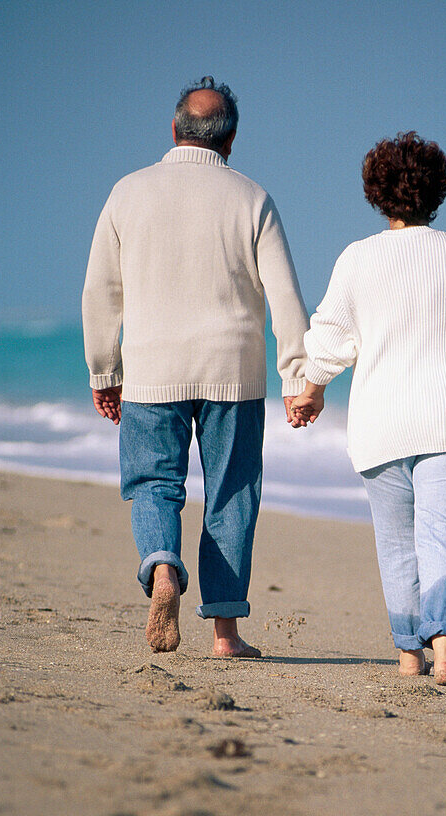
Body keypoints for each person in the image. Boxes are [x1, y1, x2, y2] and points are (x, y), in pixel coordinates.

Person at [83, 77, 308, 656]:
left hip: (152, 368)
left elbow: (101, 292)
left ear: (174, 129)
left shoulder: (127, 193)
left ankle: (162, 566)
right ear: (229, 142)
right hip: (232, 370)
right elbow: (284, 297)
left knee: (156, 483)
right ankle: (226, 633)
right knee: (231, 492)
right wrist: (298, 376)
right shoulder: (252, 197)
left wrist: (104, 369)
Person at [288, 132, 446, 686]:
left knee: (396, 541)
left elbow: (330, 339)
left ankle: (409, 654)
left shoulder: (358, 259)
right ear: (439, 191)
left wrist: (310, 388)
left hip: (382, 423)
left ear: (376, 193)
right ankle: (443, 647)